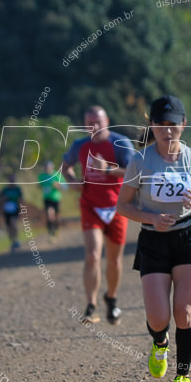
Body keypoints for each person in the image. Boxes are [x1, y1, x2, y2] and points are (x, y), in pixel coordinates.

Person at [116, 95, 191, 382]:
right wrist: (150, 217)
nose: (167, 130)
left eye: (173, 124)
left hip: (187, 237)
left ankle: (183, 376)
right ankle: (160, 343)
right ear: (152, 124)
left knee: (185, 311)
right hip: (153, 239)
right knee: (159, 317)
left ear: (184, 125)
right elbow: (123, 206)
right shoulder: (140, 160)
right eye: (161, 124)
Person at [62, 105, 134, 325]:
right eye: (89, 122)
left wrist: (108, 169)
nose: (93, 126)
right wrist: (72, 181)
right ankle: (91, 306)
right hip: (90, 205)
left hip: (117, 207)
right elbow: (65, 167)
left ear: (107, 121)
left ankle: (111, 299)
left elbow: (134, 172)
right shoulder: (79, 145)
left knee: (113, 260)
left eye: (98, 122)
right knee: (92, 255)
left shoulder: (120, 143)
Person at [37, 160, 64, 240]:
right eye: (45, 167)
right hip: (47, 199)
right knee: (49, 215)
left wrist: (58, 185)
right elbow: (39, 185)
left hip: (56, 198)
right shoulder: (42, 176)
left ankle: (57, 228)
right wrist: (40, 186)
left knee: (56, 217)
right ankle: (51, 233)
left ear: (51, 167)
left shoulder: (57, 175)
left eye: (48, 167)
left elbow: (65, 186)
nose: (46, 169)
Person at [0, 173, 24, 251]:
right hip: (7, 209)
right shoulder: (5, 189)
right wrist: (4, 198)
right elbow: (0, 199)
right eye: (11, 180)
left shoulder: (18, 189)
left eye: (13, 180)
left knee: (13, 224)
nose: (12, 181)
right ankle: (12, 241)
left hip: (15, 209)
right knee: (9, 226)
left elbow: (21, 199)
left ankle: (16, 240)